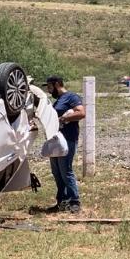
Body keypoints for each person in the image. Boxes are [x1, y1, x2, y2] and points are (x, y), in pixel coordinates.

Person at [44, 75, 86, 213]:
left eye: (50, 87)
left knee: (65, 170)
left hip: (67, 139)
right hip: (56, 139)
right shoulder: (58, 101)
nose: (49, 90)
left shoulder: (71, 97)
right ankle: (62, 201)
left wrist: (64, 118)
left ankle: (74, 201)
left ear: (56, 84)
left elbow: (81, 112)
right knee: (56, 171)